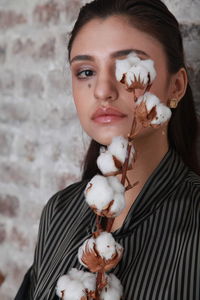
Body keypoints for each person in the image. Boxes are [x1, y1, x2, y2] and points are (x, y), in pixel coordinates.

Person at [15, 0, 200, 299]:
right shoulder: (59, 212)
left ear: (176, 86)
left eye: (129, 67)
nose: (103, 90)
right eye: (86, 72)